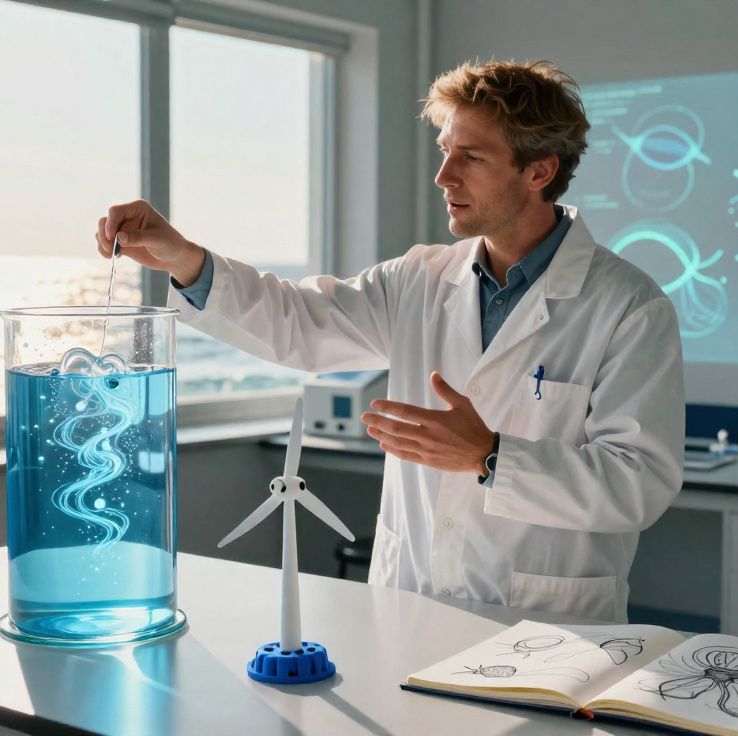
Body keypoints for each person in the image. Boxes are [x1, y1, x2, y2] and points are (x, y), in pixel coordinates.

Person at [97, 60, 684, 622]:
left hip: (546, 628)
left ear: (539, 171)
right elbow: (299, 324)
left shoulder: (628, 306)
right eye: (445, 152)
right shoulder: (419, 279)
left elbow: (637, 484)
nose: (443, 176)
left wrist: (491, 457)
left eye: (471, 157)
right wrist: (185, 260)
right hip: (412, 605)